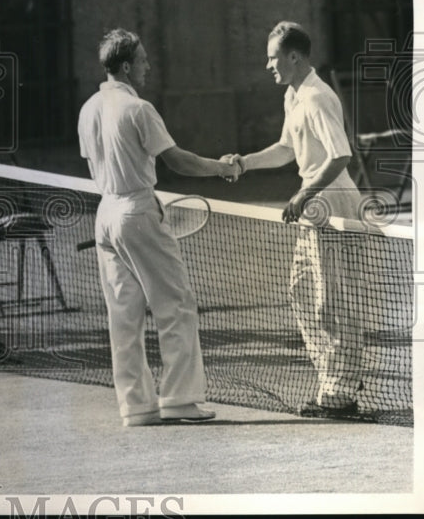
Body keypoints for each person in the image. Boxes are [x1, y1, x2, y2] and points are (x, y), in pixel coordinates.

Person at [77, 28, 239, 427]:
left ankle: (136, 407)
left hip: (106, 216)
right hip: (136, 211)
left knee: (124, 316)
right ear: (128, 66)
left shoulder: (87, 109)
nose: (149, 66)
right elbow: (178, 161)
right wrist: (222, 168)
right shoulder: (139, 109)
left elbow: (96, 165)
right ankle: (181, 399)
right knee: (176, 305)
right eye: (144, 60)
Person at [223, 21, 365, 418]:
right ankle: (335, 381)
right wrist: (244, 163)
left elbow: (340, 156)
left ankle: (341, 392)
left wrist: (304, 193)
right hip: (312, 204)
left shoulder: (318, 97)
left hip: (331, 201)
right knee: (301, 292)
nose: (268, 65)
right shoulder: (292, 95)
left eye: (272, 57)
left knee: (331, 303)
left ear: (294, 57)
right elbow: (287, 148)